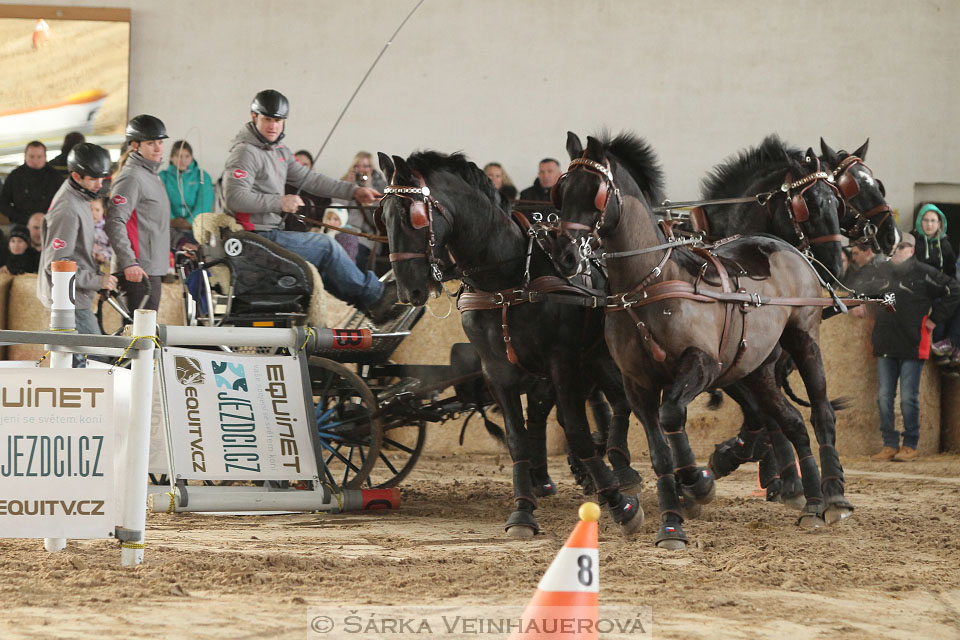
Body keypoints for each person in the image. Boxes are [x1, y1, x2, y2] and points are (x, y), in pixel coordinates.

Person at [222, 90, 397, 322]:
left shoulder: (279, 152)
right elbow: (234, 197)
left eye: (278, 120)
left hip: (268, 233)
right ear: (254, 117)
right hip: (254, 237)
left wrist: (353, 191)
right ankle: (375, 296)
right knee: (325, 246)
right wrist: (280, 202)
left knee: (323, 257)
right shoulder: (245, 152)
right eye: (268, 119)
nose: (273, 126)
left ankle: (370, 305)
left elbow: (313, 180)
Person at [851, 233, 960, 461]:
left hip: (913, 343)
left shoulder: (924, 273)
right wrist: (858, 301)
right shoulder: (881, 271)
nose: (896, 251)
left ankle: (910, 444)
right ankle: (889, 444)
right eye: (893, 247)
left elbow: (954, 290)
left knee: (908, 398)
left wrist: (934, 319)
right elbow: (859, 287)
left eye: (901, 247)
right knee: (884, 397)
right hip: (885, 342)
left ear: (911, 250)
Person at [37, 143, 118, 365]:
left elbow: (75, 251)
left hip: (76, 295)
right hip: (68, 300)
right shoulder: (68, 209)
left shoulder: (80, 197)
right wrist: (96, 280)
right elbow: (56, 265)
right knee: (97, 357)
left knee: (85, 359)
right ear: (76, 175)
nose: (99, 185)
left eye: (102, 178)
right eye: (93, 179)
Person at [105, 114, 172, 312]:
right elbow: (115, 221)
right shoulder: (132, 177)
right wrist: (129, 263)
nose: (158, 147)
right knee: (139, 337)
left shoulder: (151, 175)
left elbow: (151, 223)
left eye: (160, 142)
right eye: (151, 143)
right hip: (138, 271)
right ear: (135, 145)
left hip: (150, 268)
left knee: (144, 336)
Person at [332, 151, 387, 269]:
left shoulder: (381, 187)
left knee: (351, 253)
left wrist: (369, 188)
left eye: (366, 166)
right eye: (357, 166)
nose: (361, 169)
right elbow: (335, 211)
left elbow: (380, 221)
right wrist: (348, 187)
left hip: (365, 237)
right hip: (341, 231)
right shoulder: (344, 182)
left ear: (372, 168)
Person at [159, 140, 214, 247]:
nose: (183, 160)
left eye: (187, 156)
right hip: (169, 228)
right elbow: (161, 202)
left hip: (196, 228)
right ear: (171, 157)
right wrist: (172, 220)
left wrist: (190, 222)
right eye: (178, 156)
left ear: (191, 157)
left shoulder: (202, 176)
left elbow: (204, 203)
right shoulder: (162, 177)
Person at [0, 141, 63, 225]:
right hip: (21, 222)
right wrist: (18, 217)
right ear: (25, 157)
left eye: (39, 157)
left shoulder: (56, 177)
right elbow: (4, 202)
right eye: (31, 156)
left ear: (45, 157)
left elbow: (64, 201)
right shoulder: (15, 176)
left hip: (49, 222)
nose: (35, 160)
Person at [911, 204, 957, 278]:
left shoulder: (945, 244)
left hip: (939, 285)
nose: (929, 224)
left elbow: (951, 271)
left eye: (933, 220)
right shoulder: (912, 241)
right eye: (925, 220)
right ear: (920, 221)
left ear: (939, 224)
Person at [90, 196, 113, 269]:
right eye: (90, 210)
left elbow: (112, 247)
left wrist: (104, 255)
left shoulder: (107, 227)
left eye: (97, 210)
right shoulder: (81, 226)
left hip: (103, 263)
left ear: (103, 211)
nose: (93, 213)